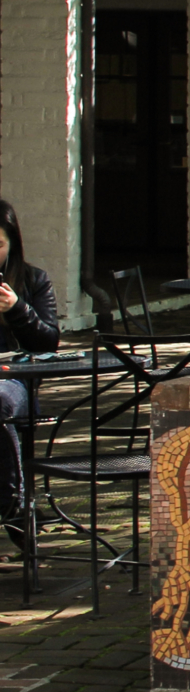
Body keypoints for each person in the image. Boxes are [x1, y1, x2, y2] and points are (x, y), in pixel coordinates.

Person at [0, 197, 59, 549]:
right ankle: (15, 506)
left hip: (13, 380)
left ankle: (12, 502)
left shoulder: (33, 280)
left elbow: (48, 342)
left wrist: (18, 310)